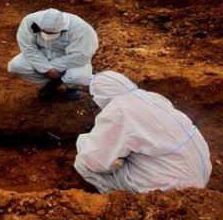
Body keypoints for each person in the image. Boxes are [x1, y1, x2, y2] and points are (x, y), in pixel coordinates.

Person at [74, 71, 212, 193]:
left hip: (172, 187)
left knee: (83, 162)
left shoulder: (119, 110)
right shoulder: (151, 97)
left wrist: (83, 143)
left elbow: (96, 162)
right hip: (199, 172)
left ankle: (120, 200)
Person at [7, 8, 98, 100]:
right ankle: (54, 85)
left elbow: (80, 56)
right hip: (43, 54)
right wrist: (47, 69)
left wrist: (54, 68)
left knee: (78, 76)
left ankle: (70, 87)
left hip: (70, 60)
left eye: (52, 33)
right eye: (45, 32)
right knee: (16, 66)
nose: (48, 35)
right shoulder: (29, 21)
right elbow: (28, 48)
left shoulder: (79, 28)